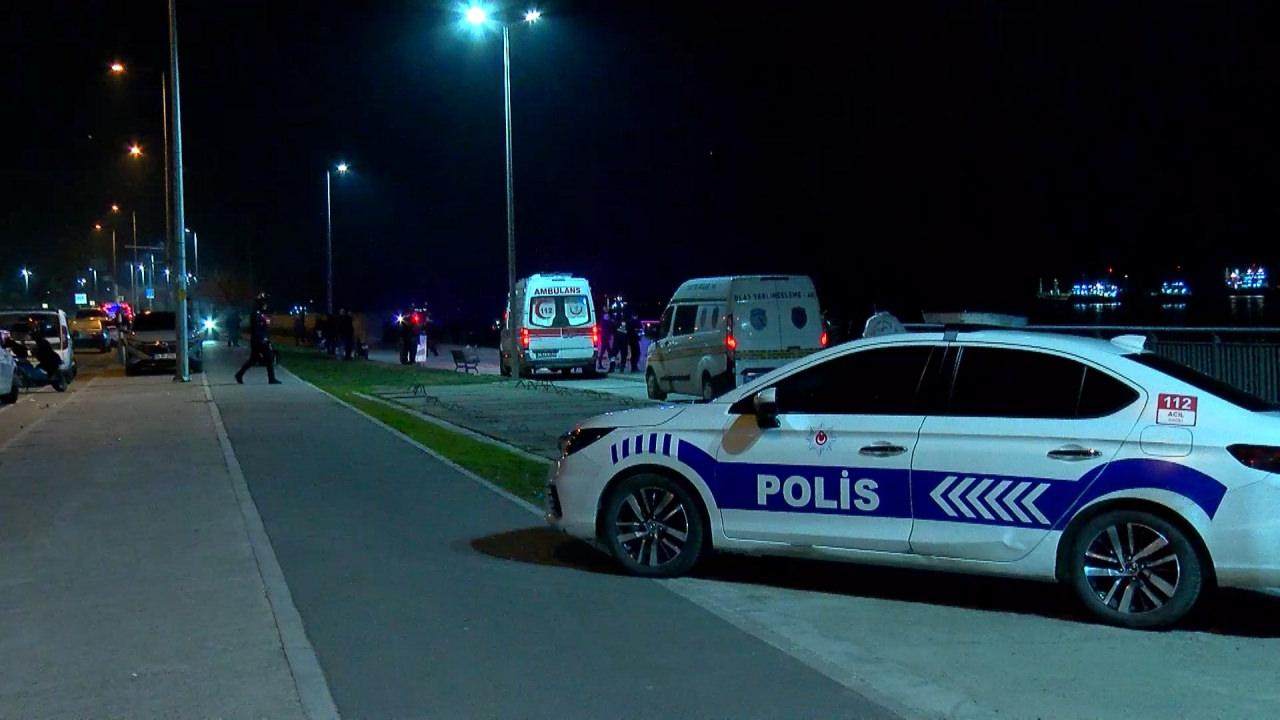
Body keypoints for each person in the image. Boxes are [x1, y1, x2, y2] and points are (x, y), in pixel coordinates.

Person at [235, 293, 280, 385]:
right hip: (259, 341)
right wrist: (263, 338)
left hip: (259, 340)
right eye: (264, 303)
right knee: (267, 358)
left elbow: (263, 327)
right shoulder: (256, 314)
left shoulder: (260, 314)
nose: (266, 305)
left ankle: (239, 374)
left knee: (254, 359)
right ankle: (271, 378)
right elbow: (256, 328)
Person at [626, 306, 642, 372]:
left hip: (631, 340)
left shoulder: (629, 322)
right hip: (634, 340)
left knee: (634, 353)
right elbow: (640, 330)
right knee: (637, 353)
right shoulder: (636, 322)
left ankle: (633, 367)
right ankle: (634, 367)